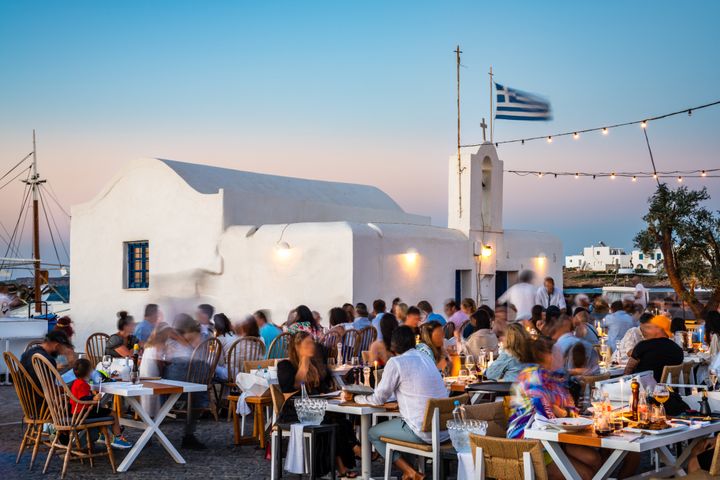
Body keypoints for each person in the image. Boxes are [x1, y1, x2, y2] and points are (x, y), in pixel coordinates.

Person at [350, 326, 449, 480]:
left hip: (424, 432)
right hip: (443, 430)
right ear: (413, 342)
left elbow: (378, 399)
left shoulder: (396, 362)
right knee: (404, 423)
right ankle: (410, 472)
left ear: (393, 345)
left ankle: (410, 471)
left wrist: (356, 398)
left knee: (372, 433)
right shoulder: (426, 358)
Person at [507, 336, 601, 479]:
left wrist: (563, 411)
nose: (562, 357)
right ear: (546, 356)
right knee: (585, 474)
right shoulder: (531, 377)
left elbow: (570, 409)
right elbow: (548, 416)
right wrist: (562, 412)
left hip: (556, 439)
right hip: (529, 445)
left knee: (594, 460)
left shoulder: (553, 378)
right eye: (558, 353)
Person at [278, 332, 361, 478]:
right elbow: (292, 386)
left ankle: (344, 466)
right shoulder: (285, 365)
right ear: (297, 347)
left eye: (312, 343)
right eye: (308, 344)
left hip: (317, 408)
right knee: (330, 420)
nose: (312, 347)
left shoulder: (315, 365)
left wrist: (330, 394)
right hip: (294, 410)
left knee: (340, 420)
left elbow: (325, 387)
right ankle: (356, 450)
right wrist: (304, 361)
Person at [164, 314, 208, 449]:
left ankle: (150, 429)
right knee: (197, 396)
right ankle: (188, 434)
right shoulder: (199, 337)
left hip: (175, 382)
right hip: (197, 384)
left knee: (153, 386)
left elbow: (166, 359)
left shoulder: (173, 339)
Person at [69, 358, 133, 449]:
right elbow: (82, 398)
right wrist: (93, 398)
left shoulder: (77, 382)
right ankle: (118, 438)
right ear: (88, 372)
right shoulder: (81, 384)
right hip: (83, 413)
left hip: (78, 412)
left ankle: (103, 435)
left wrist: (93, 399)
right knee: (113, 413)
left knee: (101, 410)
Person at [21, 330, 74, 406]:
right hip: (44, 406)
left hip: (28, 403)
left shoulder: (28, 353)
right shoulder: (46, 359)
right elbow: (51, 391)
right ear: (57, 346)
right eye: (62, 349)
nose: (61, 353)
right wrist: (70, 389)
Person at [624, 315, 683, 382]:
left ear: (659, 329)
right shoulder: (678, 349)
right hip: (668, 389)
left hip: (642, 388)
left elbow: (628, 370)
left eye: (650, 327)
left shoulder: (643, 345)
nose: (646, 331)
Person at [213, 313, 236, 381]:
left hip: (229, 374)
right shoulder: (236, 335)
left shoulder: (220, 339)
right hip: (243, 371)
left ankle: (207, 385)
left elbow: (220, 362)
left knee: (210, 363)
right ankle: (225, 391)